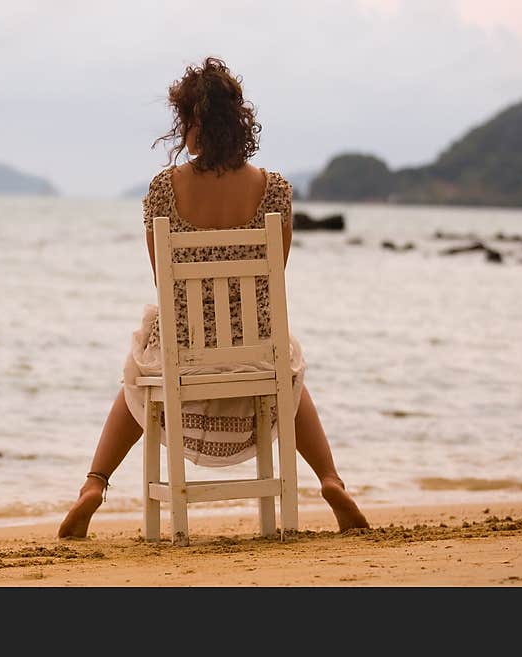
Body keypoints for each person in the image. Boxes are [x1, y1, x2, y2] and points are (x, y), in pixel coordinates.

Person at [58, 57, 369, 539]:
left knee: (136, 375)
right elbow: (274, 279)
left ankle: (94, 484)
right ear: (238, 121)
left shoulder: (165, 191)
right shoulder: (275, 191)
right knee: (290, 370)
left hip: (182, 356)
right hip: (255, 355)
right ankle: (330, 479)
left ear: (193, 124)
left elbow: (164, 283)